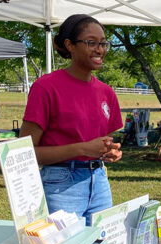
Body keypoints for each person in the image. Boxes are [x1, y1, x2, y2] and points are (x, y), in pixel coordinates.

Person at [20, 14, 122, 225]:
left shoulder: (107, 93)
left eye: (103, 43)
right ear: (70, 46)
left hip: (99, 181)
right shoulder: (46, 88)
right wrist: (83, 149)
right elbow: (25, 153)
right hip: (60, 184)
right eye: (91, 42)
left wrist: (108, 152)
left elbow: (103, 143)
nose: (100, 49)